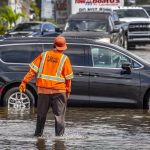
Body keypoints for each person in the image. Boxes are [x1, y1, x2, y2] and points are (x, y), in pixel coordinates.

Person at [19, 36, 73, 137]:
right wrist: (68, 91)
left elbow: (32, 71)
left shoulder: (43, 55)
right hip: (59, 92)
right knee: (59, 117)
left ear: (54, 45)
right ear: (64, 47)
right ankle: (59, 140)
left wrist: (24, 82)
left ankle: (38, 137)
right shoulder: (65, 59)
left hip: (43, 92)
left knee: (41, 116)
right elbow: (68, 78)